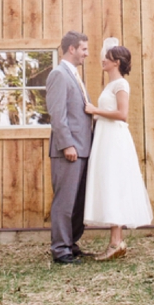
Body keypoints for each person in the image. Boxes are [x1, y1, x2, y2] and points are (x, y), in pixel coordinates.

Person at [83, 43, 153, 260]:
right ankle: (116, 242)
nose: (103, 60)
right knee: (110, 184)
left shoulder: (121, 84)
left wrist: (95, 110)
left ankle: (116, 242)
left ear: (117, 63)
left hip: (115, 140)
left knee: (115, 183)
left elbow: (123, 114)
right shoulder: (111, 84)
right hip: (106, 137)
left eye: (108, 58)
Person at [45, 31, 94, 264]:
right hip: (69, 151)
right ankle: (60, 250)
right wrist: (67, 145)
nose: (87, 53)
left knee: (77, 203)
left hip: (83, 150)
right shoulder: (59, 74)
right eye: (83, 49)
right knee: (64, 202)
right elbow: (57, 115)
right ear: (72, 49)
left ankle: (71, 243)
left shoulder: (74, 76)